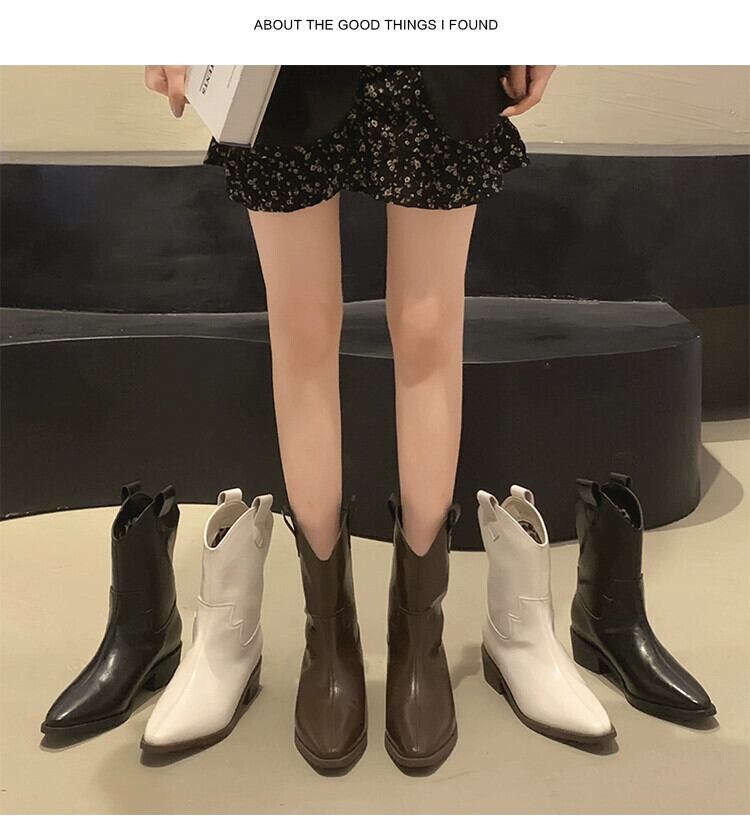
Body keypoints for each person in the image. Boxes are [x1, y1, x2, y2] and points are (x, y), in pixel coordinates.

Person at [145, 64, 555, 773]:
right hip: (277, 49)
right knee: (300, 330)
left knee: (429, 328)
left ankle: (418, 635)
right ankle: (328, 634)